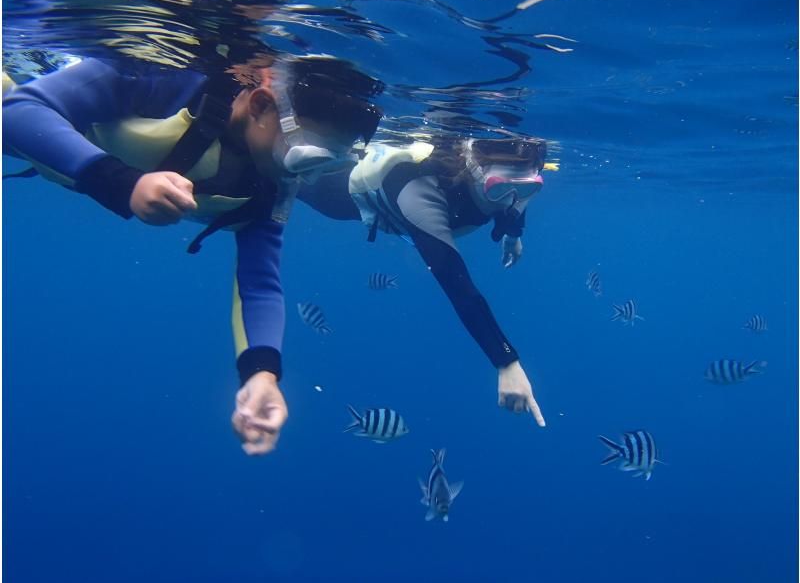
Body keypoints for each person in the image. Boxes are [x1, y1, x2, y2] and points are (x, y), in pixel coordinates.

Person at [2, 53, 383, 454]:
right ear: (260, 105)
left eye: (329, 165)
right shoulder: (167, 76)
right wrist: (123, 184)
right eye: (307, 156)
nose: (305, 177)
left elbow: (260, 282)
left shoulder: (270, 186)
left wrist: (262, 375)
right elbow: (18, 113)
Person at [298, 135, 556, 425]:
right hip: (334, 191)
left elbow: (514, 199)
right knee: (291, 181)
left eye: (528, 188)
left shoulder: (512, 184)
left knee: (513, 189)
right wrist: (506, 362)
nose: (512, 198)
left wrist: (513, 234)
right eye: (500, 188)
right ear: (473, 169)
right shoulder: (420, 193)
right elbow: (460, 288)